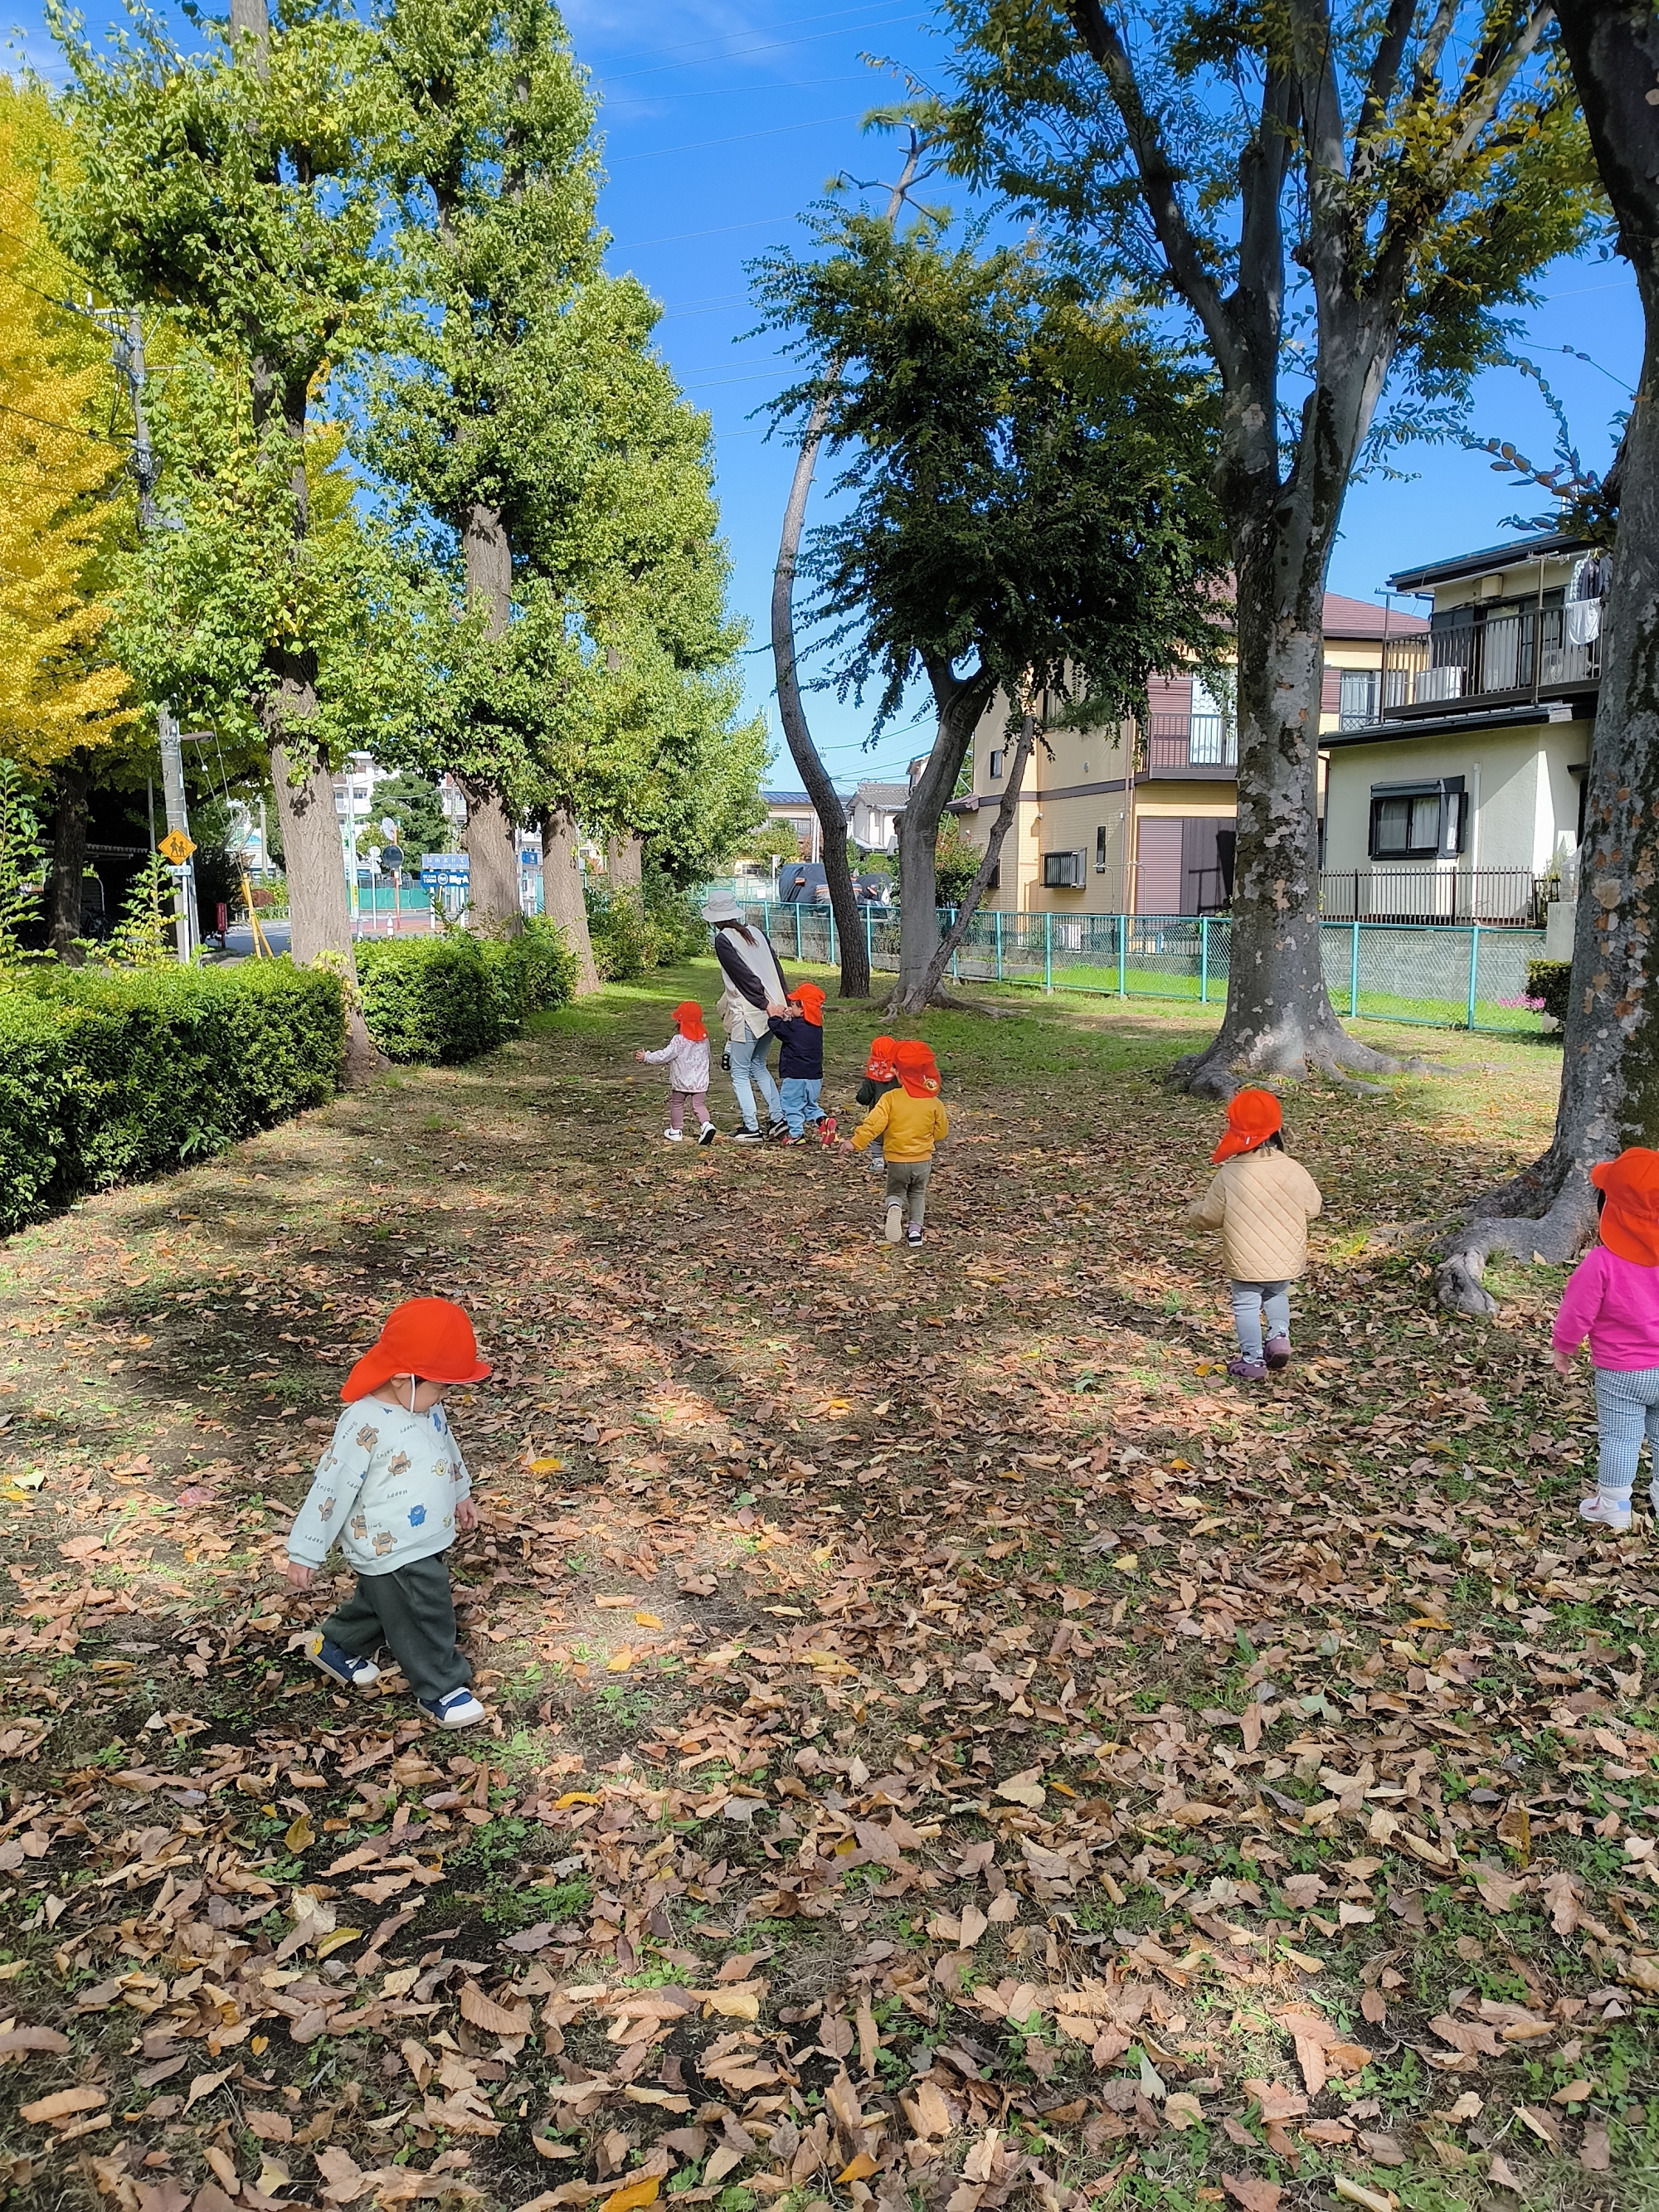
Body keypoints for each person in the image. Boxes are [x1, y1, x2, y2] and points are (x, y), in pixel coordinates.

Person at [285, 1297, 490, 1729]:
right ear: (402, 1379)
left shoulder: (425, 1404)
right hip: (389, 1541)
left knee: (387, 1602)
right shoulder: (365, 1424)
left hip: (423, 1533)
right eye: (441, 1387)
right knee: (424, 1610)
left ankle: (338, 1646)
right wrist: (306, 1550)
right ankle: (441, 1688)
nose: (445, 1396)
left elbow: (445, 1448)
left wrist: (460, 1492)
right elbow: (331, 1489)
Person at [1552, 1148, 1659, 1532]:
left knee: (1620, 1439)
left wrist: (1564, 1347)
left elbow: (1577, 1312)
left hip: (1621, 1372)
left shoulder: (1601, 1262)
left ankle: (1614, 1506)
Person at [1185, 1089, 1322, 1382]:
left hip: (1245, 1260)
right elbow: (1313, 1207)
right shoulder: (1293, 1168)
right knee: (1277, 1293)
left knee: (1246, 1304)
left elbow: (1209, 1216)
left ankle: (1252, 1359)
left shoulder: (1230, 1174)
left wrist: (1193, 1213)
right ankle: (1279, 1336)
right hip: (1286, 1256)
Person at [703, 892, 787, 1144]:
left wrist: (764, 1003)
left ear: (715, 919)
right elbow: (775, 967)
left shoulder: (723, 940)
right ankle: (778, 1118)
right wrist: (782, 1000)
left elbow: (743, 977)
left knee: (739, 1071)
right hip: (774, 1009)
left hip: (750, 1012)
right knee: (758, 1065)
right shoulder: (756, 932)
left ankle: (751, 1126)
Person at [849, 1038, 948, 1245]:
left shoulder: (890, 1098)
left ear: (899, 1074)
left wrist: (855, 1142)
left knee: (895, 1191)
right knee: (918, 1194)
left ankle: (894, 1207)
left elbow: (873, 1124)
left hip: (897, 1160)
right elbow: (941, 1133)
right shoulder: (933, 1102)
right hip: (923, 1160)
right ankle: (915, 1233)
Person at [636, 1000, 715, 1145]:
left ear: (680, 1021)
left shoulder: (679, 1040)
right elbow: (708, 1056)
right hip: (700, 1081)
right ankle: (706, 1125)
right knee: (699, 1105)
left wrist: (647, 1057)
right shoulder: (704, 1040)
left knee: (677, 1103)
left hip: (681, 1080)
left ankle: (675, 1131)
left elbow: (664, 1055)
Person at [766, 980, 834, 1144]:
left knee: (790, 1105)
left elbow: (779, 1029)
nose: (790, 1006)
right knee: (809, 1104)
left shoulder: (793, 1028)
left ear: (803, 1008)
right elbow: (798, 1027)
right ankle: (823, 1121)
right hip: (815, 1077)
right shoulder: (816, 1028)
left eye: (793, 1004)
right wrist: (792, 1016)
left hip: (796, 1076)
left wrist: (775, 1016)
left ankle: (796, 1135)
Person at [854, 1034, 900, 1174]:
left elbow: (864, 1096)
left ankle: (878, 1161)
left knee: (876, 1138)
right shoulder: (900, 1072)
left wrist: (861, 1098)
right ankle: (895, 1162)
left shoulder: (873, 1073)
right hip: (899, 1113)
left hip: (878, 1113)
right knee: (895, 1137)